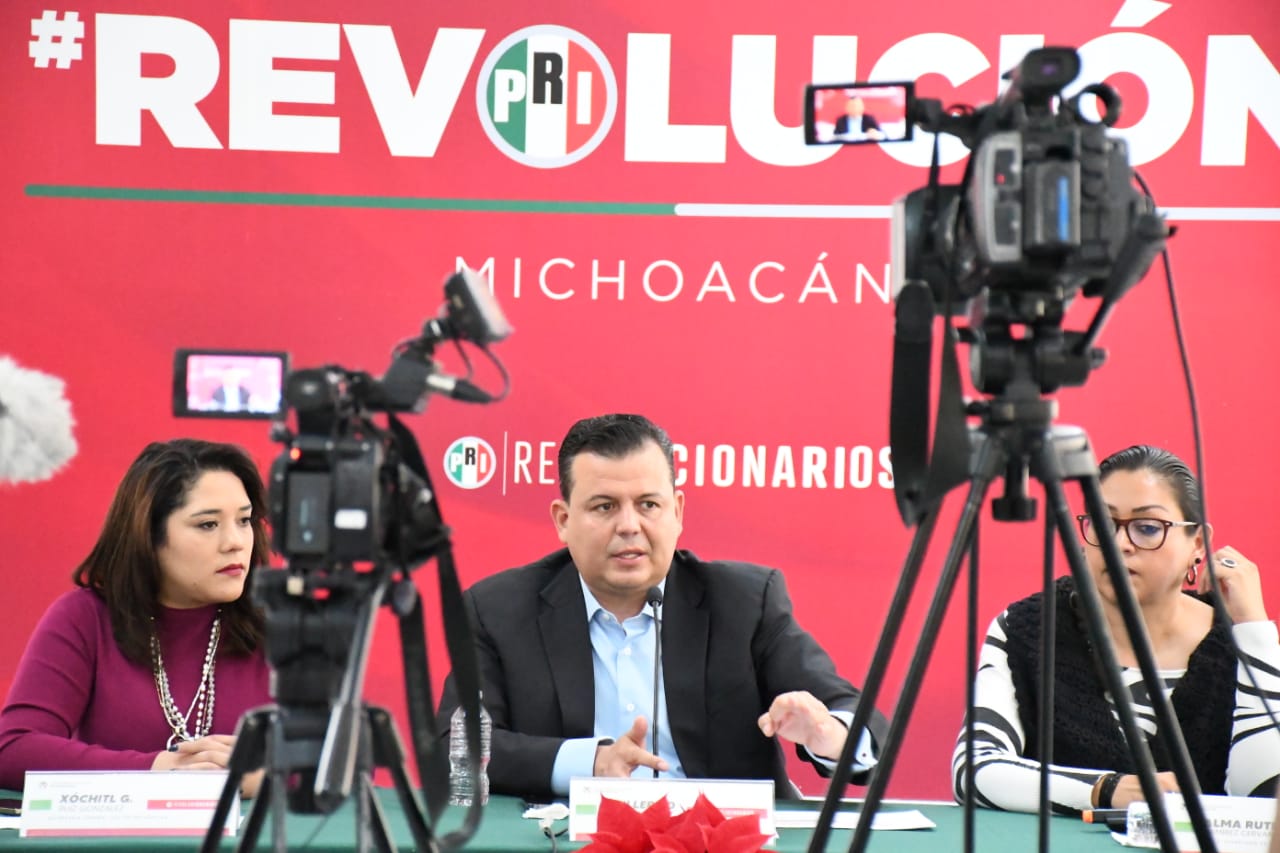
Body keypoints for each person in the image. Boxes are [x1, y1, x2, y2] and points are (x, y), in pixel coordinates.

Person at [437, 413, 886, 800]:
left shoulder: (745, 602)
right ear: (564, 520)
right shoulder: (498, 610)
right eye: (604, 507)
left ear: (678, 512)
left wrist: (828, 734)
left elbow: (855, 717)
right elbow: (452, 749)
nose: (629, 526)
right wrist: (590, 762)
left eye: (648, 504)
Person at [952, 445, 1280, 813]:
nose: (1119, 544)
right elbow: (973, 770)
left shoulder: (1242, 644)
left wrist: (1255, 632)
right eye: (1103, 524)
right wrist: (1104, 790)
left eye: (1147, 528)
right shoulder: (1029, 629)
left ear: (1198, 544)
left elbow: (1267, 797)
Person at [0, 438, 273, 792]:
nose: (235, 542)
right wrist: (157, 770)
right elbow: (14, 748)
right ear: (149, 534)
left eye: (244, 520)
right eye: (208, 524)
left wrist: (270, 775)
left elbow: (333, 761)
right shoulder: (86, 618)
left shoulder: (281, 624)